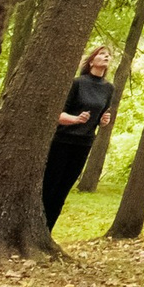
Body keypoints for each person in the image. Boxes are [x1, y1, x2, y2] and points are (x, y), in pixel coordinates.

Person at [42, 45, 117, 231]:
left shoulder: (108, 88)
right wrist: (75, 119)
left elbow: (100, 118)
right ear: (92, 61)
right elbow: (58, 114)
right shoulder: (77, 83)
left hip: (83, 144)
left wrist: (104, 121)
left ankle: (47, 232)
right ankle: (36, 226)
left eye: (108, 55)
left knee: (63, 190)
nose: (106, 56)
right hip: (62, 141)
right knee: (50, 186)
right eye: (102, 54)